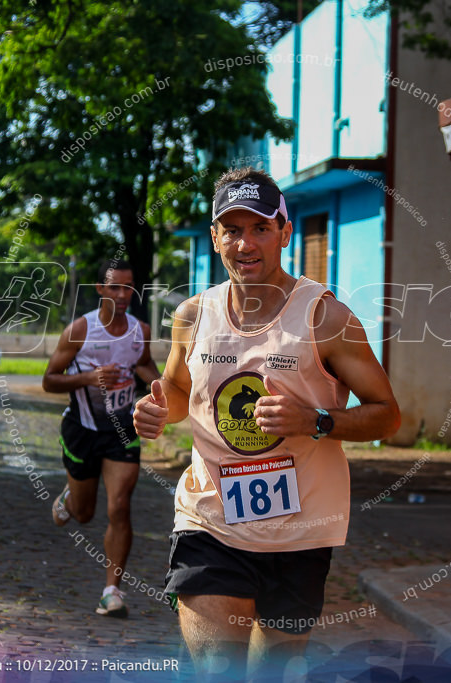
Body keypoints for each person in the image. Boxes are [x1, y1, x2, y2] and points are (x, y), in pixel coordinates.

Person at [133, 167, 400, 678]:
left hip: (300, 531)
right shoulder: (193, 315)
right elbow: (177, 390)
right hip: (211, 519)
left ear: (284, 231)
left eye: (258, 227)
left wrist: (316, 420)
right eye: (231, 230)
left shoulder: (327, 318)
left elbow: (387, 415)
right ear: (215, 238)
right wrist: (156, 411)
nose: (245, 243)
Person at [42, 258, 159, 618]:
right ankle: (70, 498)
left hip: (122, 432)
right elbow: (49, 380)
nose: (123, 295)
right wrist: (88, 379)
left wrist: (161, 388)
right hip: (82, 430)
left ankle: (112, 591)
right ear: (100, 290)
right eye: (115, 288)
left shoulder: (139, 329)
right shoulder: (80, 330)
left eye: (128, 287)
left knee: (120, 505)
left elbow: (144, 365)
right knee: (84, 513)